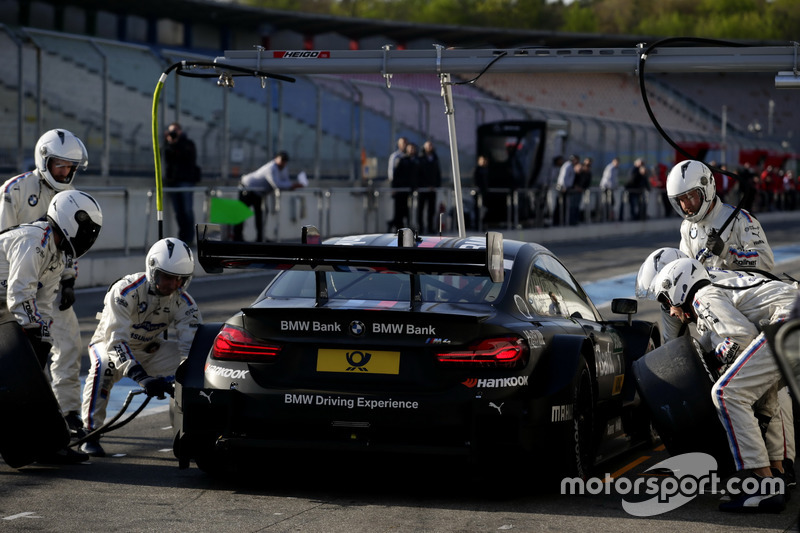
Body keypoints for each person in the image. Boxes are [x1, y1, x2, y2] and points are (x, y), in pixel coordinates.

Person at [653, 257, 796, 512]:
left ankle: (760, 485)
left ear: (679, 288)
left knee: (726, 393)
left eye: (666, 301)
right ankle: (774, 479)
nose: (671, 311)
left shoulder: (703, 296)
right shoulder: (716, 290)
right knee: (759, 391)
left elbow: (741, 337)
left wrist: (717, 361)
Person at [0, 189, 103, 464]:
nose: (88, 236)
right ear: (69, 219)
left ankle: (44, 442)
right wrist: (33, 334)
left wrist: (42, 338)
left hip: (5, 306)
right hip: (7, 304)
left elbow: (44, 303)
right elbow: (20, 295)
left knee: (33, 374)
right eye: (86, 228)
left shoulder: (59, 254)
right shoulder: (34, 239)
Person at [0, 129, 90, 441]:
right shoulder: (13, 190)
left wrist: (69, 280)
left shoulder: (71, 194)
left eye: (71, 167)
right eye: (60, 165)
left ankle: (67, 412)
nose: (66, 172)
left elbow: (74, 243)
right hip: (13, 284)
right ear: (44, 160)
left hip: (51, 284)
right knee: (15, 353)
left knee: (69, 345)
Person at [80, 238, 202, 457]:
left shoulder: (185, 302)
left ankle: (187, 432)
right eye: (167, 277)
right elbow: (116, 341)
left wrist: (180, 376)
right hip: (107, 345)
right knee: (104, 365)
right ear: (153, 270)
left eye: (180, 279)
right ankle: (90, 431)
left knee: (194, 366)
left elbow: (190, 345)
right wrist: (141, 377)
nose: (174, 284)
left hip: (150, 348)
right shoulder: (125, 291)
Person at [666, 159, 774, 272]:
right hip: (706, 289)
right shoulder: (686, 227)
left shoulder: (741, 220)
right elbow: (687, 271)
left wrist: (726, 252)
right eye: (680, 200)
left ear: (706, 189)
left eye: (690, 197)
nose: (685, 206)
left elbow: (766, 262)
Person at [233, 151, 301, 242]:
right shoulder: (271, 168)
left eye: (285, 161)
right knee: (241, 213)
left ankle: (260, 238)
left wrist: (291, 185)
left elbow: (285, 181)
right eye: (282, 160)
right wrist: (292, 185)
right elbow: (277, 184)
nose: (283, 163)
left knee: (261, 215)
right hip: (247, 188)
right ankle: (237, 238)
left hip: (259, 193)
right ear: (276, 159)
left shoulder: (283, 168)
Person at [163, 123, 199, 246]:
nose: (173, 133)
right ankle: (182, 237)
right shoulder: (169, 145)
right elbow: (167, 158)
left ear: (180, 131)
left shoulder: (188, 144)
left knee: (187, 210)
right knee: (178, 211)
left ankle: (189, 237)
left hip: (186, 180)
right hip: (173, 182)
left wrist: (176, 142)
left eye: (175, 131)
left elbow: (187, 156)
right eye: (171, 131)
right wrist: (169, 143)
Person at [388, 142, 419, 232]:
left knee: (408, 210)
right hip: (401, 189)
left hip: (410, 189)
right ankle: (398, 227)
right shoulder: (402, 160)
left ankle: (408, 227)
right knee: (400, 210)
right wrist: (394, 188)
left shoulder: (417, 160)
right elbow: (396, 175)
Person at [417, 140, 442, 234]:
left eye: (431, 146)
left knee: (431, 209)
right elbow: (419, 174)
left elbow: (438, 173)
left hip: (433, 189)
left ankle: (431, 227)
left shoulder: (435, 158)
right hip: (423, 188)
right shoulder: (420, 158)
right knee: (420, 209)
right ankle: (421, 228)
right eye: (428, 146)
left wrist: (436, 185)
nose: (429, 148)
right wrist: (423, 185)